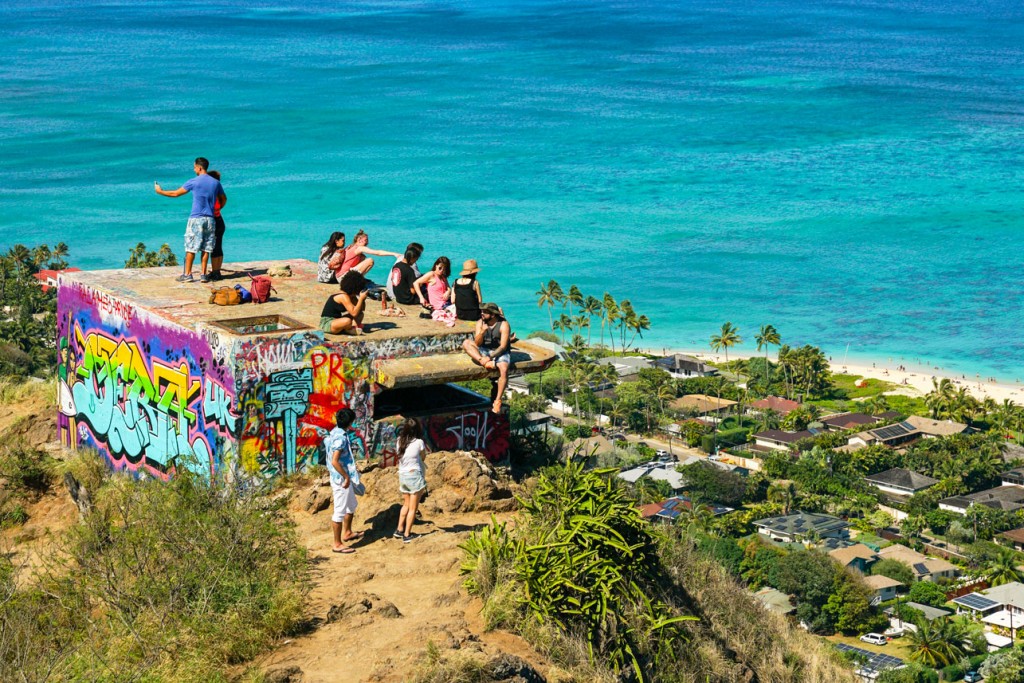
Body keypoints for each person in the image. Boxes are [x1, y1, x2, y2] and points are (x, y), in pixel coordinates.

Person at [154, 157, 226, 283]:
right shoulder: (216, 183)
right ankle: (203, 275)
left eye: (194, 167)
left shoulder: (193, 182)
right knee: (206, 248)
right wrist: (215, 209)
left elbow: (175, 193)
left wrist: (160, 191)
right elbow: (223, 199)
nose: (194, 169)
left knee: (191, 247)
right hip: (210, 219)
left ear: (199, 167)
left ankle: (188, 274)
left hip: (196, 218)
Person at [462, 302, 512, 413]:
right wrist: (482, 332)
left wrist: (490, 357)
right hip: (484, 350)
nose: (482, 313)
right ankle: (483, 362)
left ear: (493, 315)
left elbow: (503, 346)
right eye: (482, 311)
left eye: (485, 312)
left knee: (503, 370)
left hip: (498, 351)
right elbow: (477, 343)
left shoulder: (503, 324)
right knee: (466, 343)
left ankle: (497, 400)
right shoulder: (480, 322)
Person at [326, 408, 362, 554]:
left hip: (342, 476)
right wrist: (346, 477)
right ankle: (337, 543)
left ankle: (347, 532)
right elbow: (335, 461)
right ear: (350, 422)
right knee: (339, 511)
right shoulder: (340, 438)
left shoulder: (335, 431)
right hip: (341, 479)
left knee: (351, 505)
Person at [393, 418, 428, 543]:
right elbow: (423, 457)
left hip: (402, 475)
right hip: (414, 476)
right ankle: (407, 534)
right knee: (413, 508)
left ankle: (399, 529)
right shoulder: (419, 442)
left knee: (406, 504)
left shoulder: (399, 441)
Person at [320, 271, 368, 335]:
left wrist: (362, 299)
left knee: (360, 314)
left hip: (337, 320)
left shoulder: (351, 296)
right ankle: (348, 330)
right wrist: (361, 298)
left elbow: (361, 309)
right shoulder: (343, 296)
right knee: (347, 321)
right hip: (328, 323)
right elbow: (354, 313)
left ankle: (351, 328)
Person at [207, 170, 227, 281]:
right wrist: (218, 209)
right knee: (218, 246)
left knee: (214, 248)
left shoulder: (211, 192)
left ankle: (215, 272)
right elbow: (224, 200)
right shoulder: (218, 191)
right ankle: (217, 271)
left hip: (214, 220)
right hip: (220, 219)